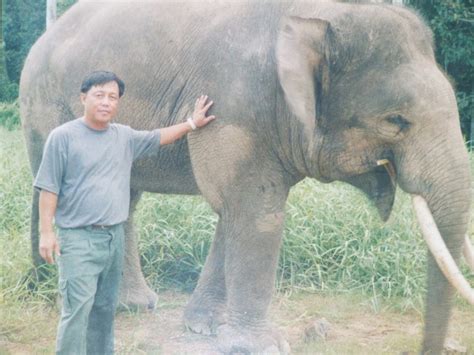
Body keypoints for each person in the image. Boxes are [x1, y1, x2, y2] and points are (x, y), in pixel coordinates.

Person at [34, 70, 216, 354]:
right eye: (99, 95)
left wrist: (192, 123)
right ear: (83, 98)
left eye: (112, 97)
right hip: (78, 239)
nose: (106, 102)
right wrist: (46, 233)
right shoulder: (63, 137)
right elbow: (48, 188)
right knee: (77, 309)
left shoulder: (123, 137)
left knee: (106, 308)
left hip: (113, 239)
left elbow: (159, 137)